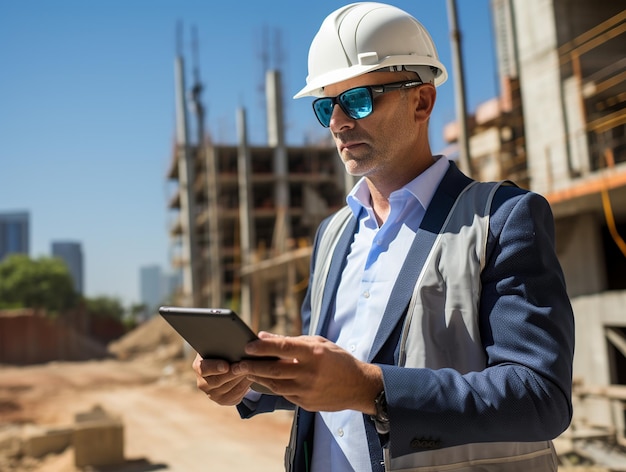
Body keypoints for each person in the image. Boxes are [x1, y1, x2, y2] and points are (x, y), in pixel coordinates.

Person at [192, 2, 575, 471]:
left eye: (357, 100)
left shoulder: (503, 219)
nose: (337, 122)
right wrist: (250, 380)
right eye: (325, 105)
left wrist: (369, 389)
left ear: (421, 100)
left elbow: (540, 397)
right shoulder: (332, 235)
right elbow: (327, 385)